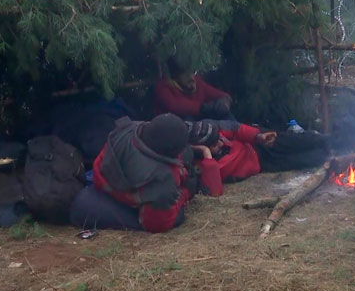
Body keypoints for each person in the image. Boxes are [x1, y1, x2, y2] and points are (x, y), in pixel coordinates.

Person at [69, 114, 218, 233]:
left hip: (107, 176)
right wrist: (185, 192)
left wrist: (181, 173)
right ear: (171, 154)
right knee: (176, 217)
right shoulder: (163, 180)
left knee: (187, 155)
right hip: (120, 195)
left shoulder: (129, 128)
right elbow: (158, 225)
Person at [186, 120, 329, 196]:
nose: (221, 142)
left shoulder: (208, 128)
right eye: (214, 144)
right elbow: (215, 191)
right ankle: (334, 157)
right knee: (311, 159)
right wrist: (206, 153)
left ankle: (336, 141)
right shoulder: (203, 166)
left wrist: (258, 136)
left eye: (219, 138)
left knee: (304, 140)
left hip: (257, 145)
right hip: (262, 164)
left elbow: (235, 128)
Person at [154, 59, 234, 121]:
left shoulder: (197, 82)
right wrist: (203, 107)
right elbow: (175, 106)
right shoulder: (163, 87)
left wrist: (224, 102)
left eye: (192, 72)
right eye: (186, 74)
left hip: (200, 125)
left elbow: (219, 94)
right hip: (175, 130)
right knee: (187, 118)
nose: (191, 77)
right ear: (175, 77)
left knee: (225, 114)